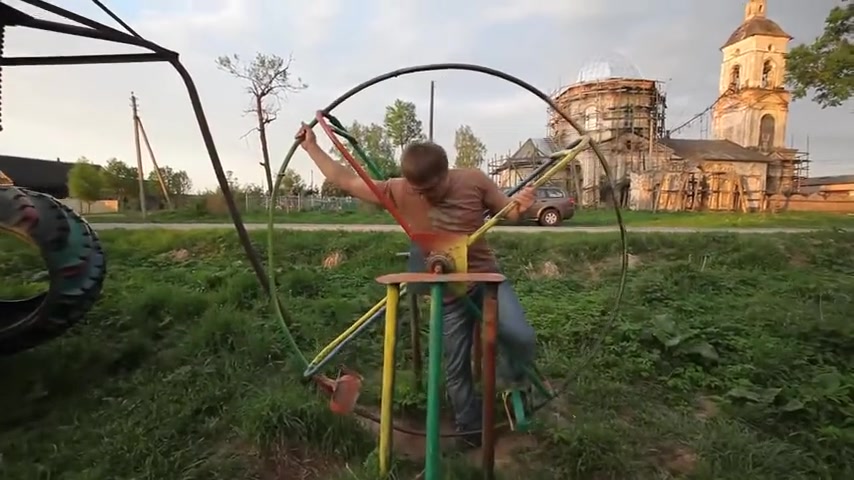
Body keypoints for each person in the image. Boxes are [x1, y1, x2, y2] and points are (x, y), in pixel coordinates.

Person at [296, 124, 538, 447]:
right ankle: (469, 429)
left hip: (486, 279)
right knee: (455, 367)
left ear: (445, 173)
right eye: (417, 190)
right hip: (448, 289)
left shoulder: (474, 180)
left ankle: (514, 387)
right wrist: (311, 147)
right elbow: (347, 180)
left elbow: (509, 212)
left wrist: (521, 206)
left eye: (430, 190)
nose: (423, 196)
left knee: (520, 336)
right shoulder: (401, 189)